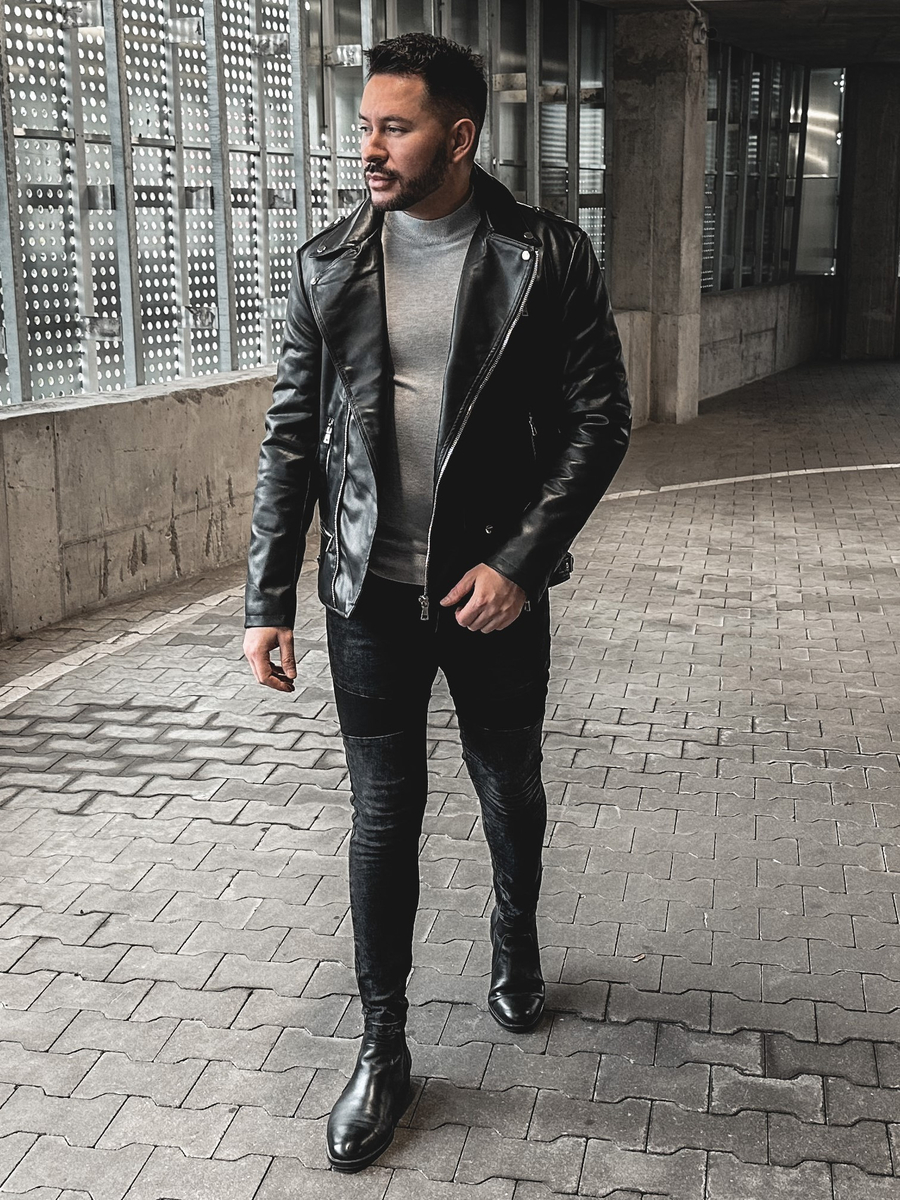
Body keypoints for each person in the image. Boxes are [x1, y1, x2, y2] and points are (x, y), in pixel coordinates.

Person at [243, 32, 631, 1173]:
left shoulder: (546, 255)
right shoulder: (326, 264)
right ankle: (385, 1049)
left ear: (459, 137)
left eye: (393, 127)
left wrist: (520, 563)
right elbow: (290, 438)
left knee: (508, 783)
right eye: (363, 124)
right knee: (382, 816)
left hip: (491, 597)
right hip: (368, 593)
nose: (367, 147)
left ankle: (515, 934)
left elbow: (600, 419)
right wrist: (267, 598)